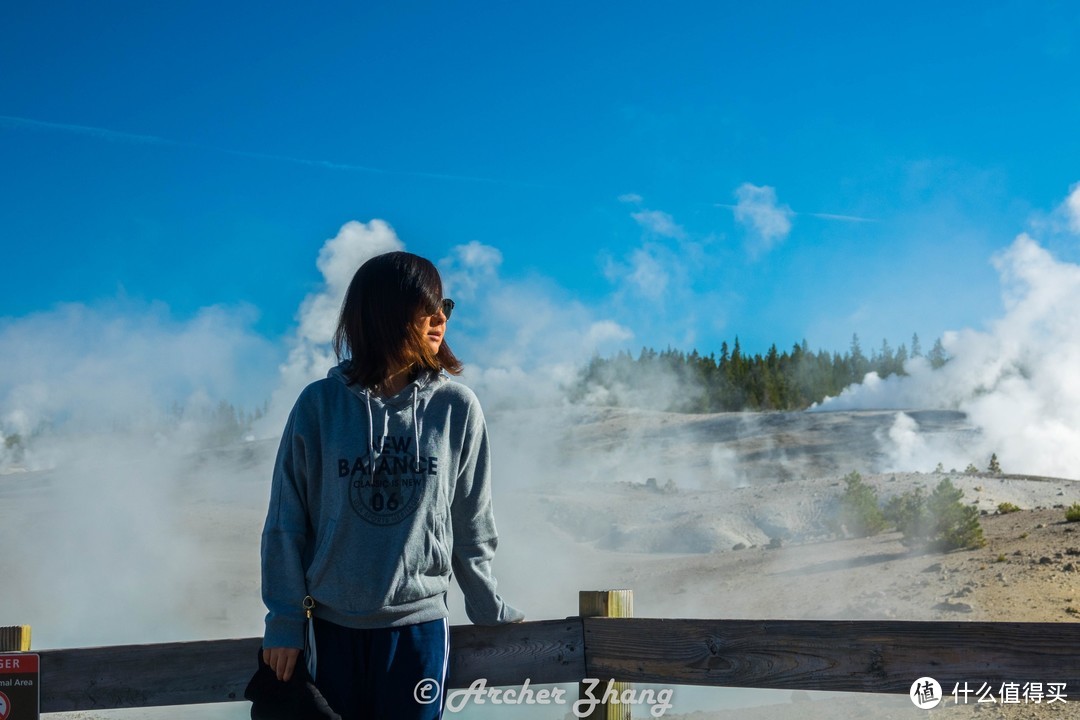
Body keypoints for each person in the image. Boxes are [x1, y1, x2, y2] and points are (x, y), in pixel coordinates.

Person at [260, 251, 524, 719]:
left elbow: (471, 522)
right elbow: (286, 523)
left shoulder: (456, 408)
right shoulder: (318, 406)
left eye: (444, 306)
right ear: (381, 313)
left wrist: (488, 609)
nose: (439, 318)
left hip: (418, 631)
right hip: (330, 630)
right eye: (424, 307)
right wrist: (284, 622)